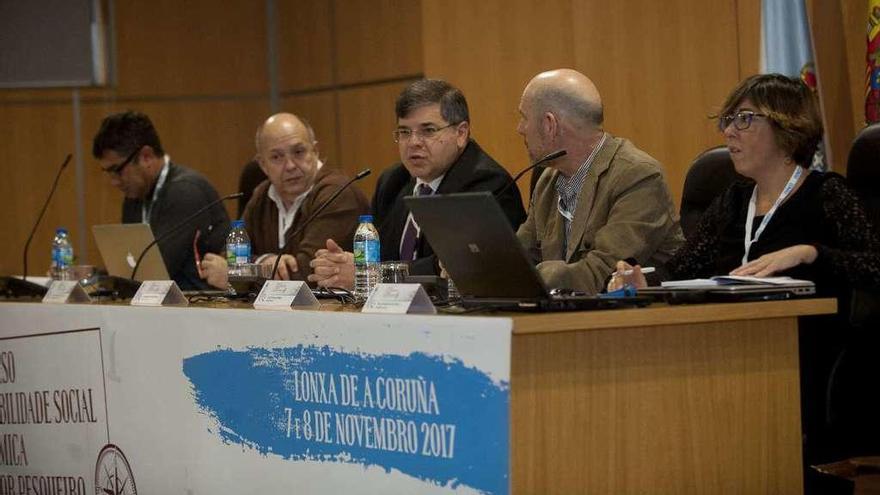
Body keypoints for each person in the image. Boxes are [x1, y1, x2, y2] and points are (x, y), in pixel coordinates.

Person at [609, 74, 880, 491]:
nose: (728, 131)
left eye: (745, 119)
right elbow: (682, 268)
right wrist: (640, 278)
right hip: (721, 352)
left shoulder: (827, 194)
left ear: (787, 128)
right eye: (729, 120)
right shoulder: (734, 200)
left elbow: (875, 266)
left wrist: (811, 253)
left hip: (797, 361)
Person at [307, 79, 526, 288]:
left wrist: (370, 274)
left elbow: (452, 268)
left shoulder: (487, 184)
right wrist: (340, 265)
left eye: (428, 131)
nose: (413, 143)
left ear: (461, 133)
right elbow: (380, 256)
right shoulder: (393, 181)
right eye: (404, 132)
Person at [516, 68, 684, 294]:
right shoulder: (548, 181)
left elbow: (601, 275)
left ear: (549, 125)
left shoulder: (639, 177)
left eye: (524, 118)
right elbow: (515, 260)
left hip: (633, 324)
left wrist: (531, 274)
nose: (520, 129)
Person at [199, 113, 369, 288]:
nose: (290, 166)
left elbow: (306, 273)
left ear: (315, 151)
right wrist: (265, 262)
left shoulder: (338, 194)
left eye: (298, 152)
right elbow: (230, 255)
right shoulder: (262, 195)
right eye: (276, 157)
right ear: (263, 164)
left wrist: (236, 274)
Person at [93, 111, 229, 290]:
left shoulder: (186, 191)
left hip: (200, 306)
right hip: (164, 306)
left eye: (117, 170)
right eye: (108, 173)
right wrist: (92, 277)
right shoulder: (135, 195)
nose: (114, 181)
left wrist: (103, 280)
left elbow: (155, 272)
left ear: (146, 156)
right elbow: (130, 267)